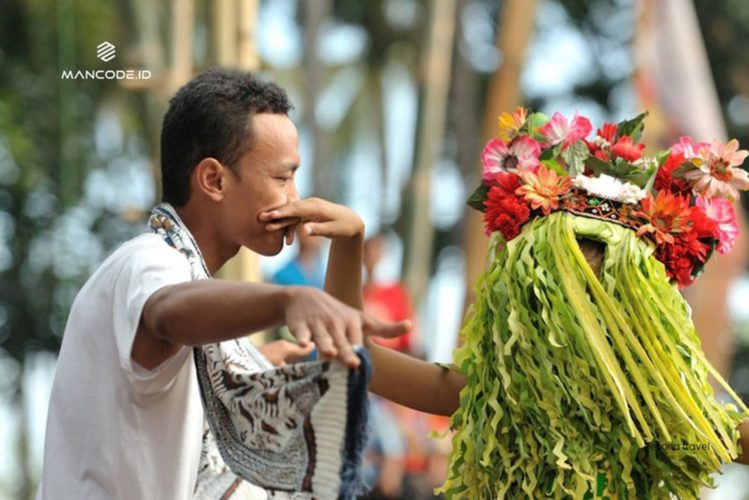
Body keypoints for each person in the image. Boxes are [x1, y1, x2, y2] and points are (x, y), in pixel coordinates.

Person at [35, 69, 466, 500]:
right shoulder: (148, 259)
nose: (294, 198)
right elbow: (167, 311)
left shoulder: (191, 291)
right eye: (282, 178)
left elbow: (350, 358)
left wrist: (253, 361)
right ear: (214, 180)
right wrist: (288, 300)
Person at [437, 107, 749, 498]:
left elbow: (712, 440)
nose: (580, 318)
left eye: (599, 301)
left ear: (640, 312)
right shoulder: (497, 393)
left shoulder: (659, 418)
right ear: (526, 305)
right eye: (558, 300)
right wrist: (351, 246)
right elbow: (356, 358)